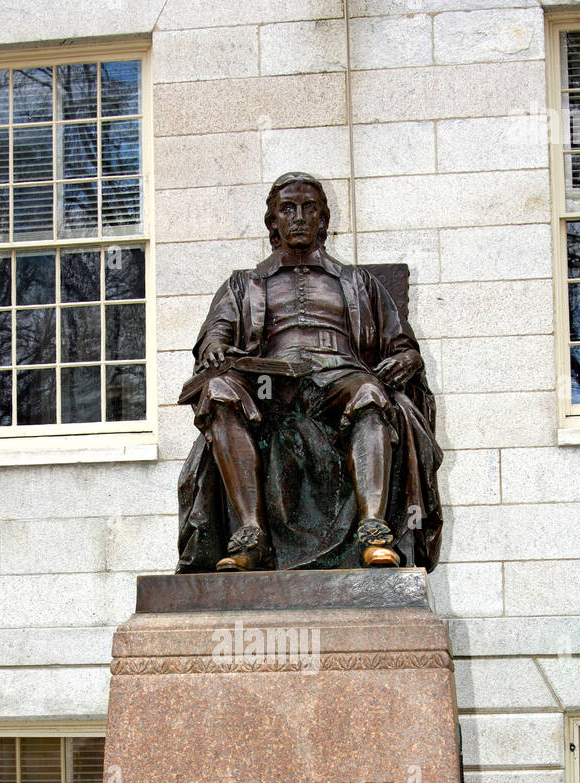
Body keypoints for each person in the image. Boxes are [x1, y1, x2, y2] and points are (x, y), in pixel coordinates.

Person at [176, 172, 443, 573]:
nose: (298, 217)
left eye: (308, 208)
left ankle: (373, 531)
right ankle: (252, 536)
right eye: (287, 209)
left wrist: (409, 359)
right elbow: (216, 334)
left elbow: (401, 345)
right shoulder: (243, 284)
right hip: (268, 386)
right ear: (273, 223)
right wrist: (214, 348)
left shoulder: (359, 283)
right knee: (218, 391)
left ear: (323, 220)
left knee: (370, 392)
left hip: (340, 377)